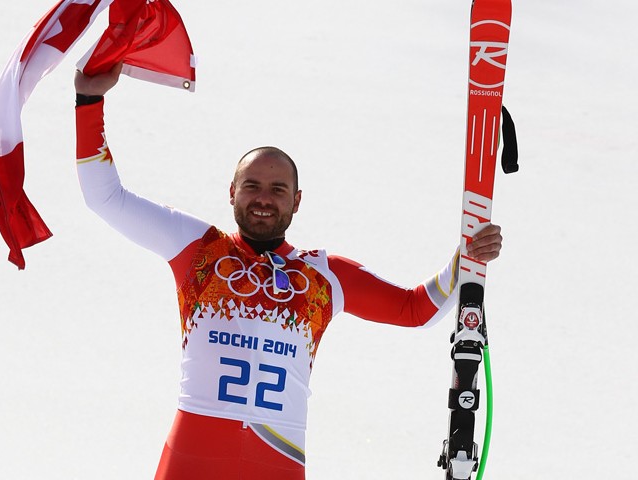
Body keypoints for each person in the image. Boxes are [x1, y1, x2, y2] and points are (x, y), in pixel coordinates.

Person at [73, 65, 503, 480]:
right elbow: (105, 198)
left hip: (276, 461)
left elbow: (413, 309)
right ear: (231, 193)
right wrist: (89, 100)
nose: (264, 199)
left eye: (278, 190)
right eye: (252, 186)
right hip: (191, 459)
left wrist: (465, 257)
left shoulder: (324, 276)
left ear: (297, 201)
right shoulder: (198, 249)